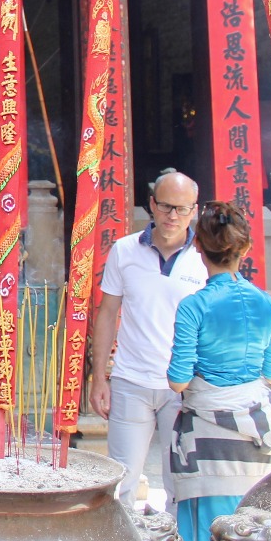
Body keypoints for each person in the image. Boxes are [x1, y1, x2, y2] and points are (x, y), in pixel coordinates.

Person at [166, 202, 271, 541]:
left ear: (198, 247)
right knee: (252, 532)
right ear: (244, 249)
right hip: (257, 430)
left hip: (206, 437)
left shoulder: (193, 306)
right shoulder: (267, 305)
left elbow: (178, 380)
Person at [89, 170, 209, 513]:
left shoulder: (204, 257)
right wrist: (100, 377)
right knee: (121, 481)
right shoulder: (125, 250)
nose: (173, 216)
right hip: (131, 381)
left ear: (194, 211)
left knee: (182, 482)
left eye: (182, 209)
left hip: (185, 385)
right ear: (152, 205)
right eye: (167, 206)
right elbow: (107, 313)